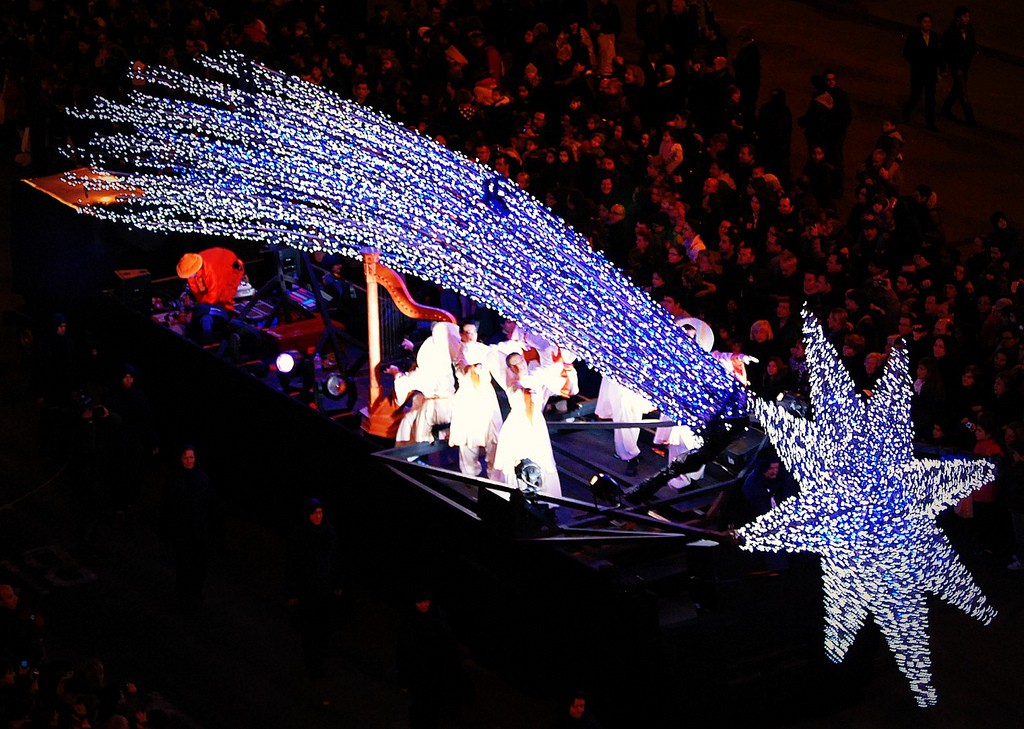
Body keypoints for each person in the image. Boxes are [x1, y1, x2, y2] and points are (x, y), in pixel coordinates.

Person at [286, 498, 345, 679]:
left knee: (322, 627)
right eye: (314, 513)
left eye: (320, 512)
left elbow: (336, 560)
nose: (318, 516)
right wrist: (293, 592)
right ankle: (312, 661)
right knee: (309, 627)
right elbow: (292, 566)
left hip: (324, 589)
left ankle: (317, 659)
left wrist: (337, 583)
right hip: (308, 590)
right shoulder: (300, 536)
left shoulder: (329, 533)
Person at [492, 351, 564, 499]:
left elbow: (552, 370)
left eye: (521, 361)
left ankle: (545, 498)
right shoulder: (512, 384)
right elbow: (516, 389)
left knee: (541, 458)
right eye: (515, 364)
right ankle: (519, 495)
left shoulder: (535, 378)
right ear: (511, 368)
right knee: (519, 458)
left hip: (536, 423)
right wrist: (524, 390)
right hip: (518, 424)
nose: (521, 365)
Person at [396, 588, 467, 729]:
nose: (424, 605)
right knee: (419, 701)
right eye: (420, 603)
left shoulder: (437, 614)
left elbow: (447, 637)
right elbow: (403, 650)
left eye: (426, 601)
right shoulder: (410, 619)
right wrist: (404, 679)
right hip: (418, 666)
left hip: (435, 665)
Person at [159, 445, 220, 609]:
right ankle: (183, 594)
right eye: (186, 457)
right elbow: (168, 505)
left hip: (199, 530)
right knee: (184, 563)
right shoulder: (175, 479)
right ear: (180, 459)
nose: (189, 461)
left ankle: (195, 590)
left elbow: (211, 503)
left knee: (198, 563)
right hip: (183, 531)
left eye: (191, 457)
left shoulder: (202, 477)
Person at [448, 327, 502, 478]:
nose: (470, 335)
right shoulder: (459, 349)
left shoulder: (484, 349)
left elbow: (499, 352)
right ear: (461, 334)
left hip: (486, 394)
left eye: (473, 332)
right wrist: (472, 368)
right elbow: (461, 366)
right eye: (467, 332)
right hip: (468, 395)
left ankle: (495, 473)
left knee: (493, 435)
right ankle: (470, 474)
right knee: (468, 437)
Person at [176, 247, 245, 343]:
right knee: (206, 305)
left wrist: (201, 310)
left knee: (223, 299)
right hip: (215, 266)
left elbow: (214, 294)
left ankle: (228, 325)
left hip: (229, 267)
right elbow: (196, 290)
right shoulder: (192, 269)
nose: (188, 278)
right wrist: (200, 306)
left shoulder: (212, 271)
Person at [901, 12, 942, 131]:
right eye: (925, 22)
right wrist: (916, 63)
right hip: (918, 72)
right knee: (916, 95)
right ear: (920, 24)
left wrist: (941, 68)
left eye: (929, 22)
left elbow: (938, 54)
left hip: (930, 72)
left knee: (930, 98)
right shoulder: (914, 36)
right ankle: (906, 112)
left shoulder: (934, 37)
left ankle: (930, 123)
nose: (928, 24)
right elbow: (907, 53)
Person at [940, 5, 977, 126]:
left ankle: (945, 109)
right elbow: (944, 51)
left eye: (968, 16)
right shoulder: (950, 32)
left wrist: (973, 51)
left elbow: (972, 44)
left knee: (957, 89)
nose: (967, 18)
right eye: (965, 16)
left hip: (965, 65)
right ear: (958, 18)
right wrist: (943, 68)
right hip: (956, 66)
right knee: (962, 92)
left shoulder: (969, 29)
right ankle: (970, 118)